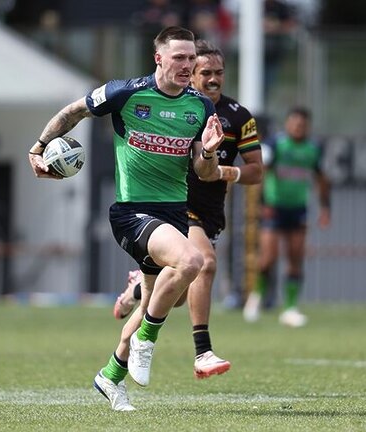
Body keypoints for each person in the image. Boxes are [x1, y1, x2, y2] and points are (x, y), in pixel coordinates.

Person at [27, 27, 224, 411]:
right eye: (179, 58)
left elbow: (202, 170)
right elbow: (73, 111)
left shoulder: (201, 107)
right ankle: (145, 342)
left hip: (173, 214)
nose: (187, 65)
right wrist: (37, 148)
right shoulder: (126, 93)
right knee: (192, 261)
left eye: (191, 59)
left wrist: (212, 152)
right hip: (133, 212)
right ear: (159, 59)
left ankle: (110, 376)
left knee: (167, 297)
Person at [112, 40, 263, 379]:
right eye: (205, 72)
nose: (212, 79)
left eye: (219, 73)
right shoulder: (181, 110)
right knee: (204, 263)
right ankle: (203, 351)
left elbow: (256, 171)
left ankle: (117, 358)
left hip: (210, 213)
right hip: (176, 209)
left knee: (173, 297)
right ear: (190, 74)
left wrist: (221, 170)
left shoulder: (238, 116)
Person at [243, 106, 330, 327]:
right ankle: (255, 298)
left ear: (307, 127)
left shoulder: (313, 149)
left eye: (302, 124)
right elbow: (262, 172)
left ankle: (290, 307)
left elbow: (321, 178)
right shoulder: (275, 144)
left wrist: (325, 207)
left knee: (295, 257)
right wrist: (263, 203)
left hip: (298, 209)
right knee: (268, 257)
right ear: (288, 124)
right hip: (274, 208)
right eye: (294, 123)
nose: (298, 127)